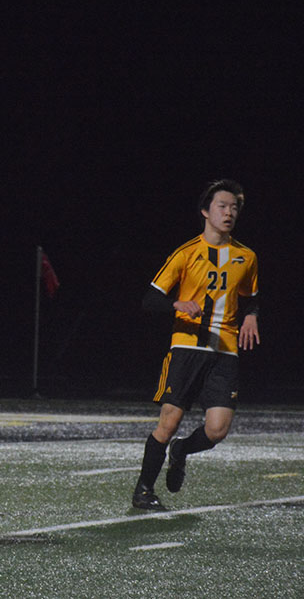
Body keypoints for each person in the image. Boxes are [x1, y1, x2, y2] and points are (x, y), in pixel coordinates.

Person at [132, 179, 260, 511]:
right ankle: (144, 489)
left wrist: (251, 316)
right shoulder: (186, 254)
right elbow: (149, 299)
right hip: (187, 347)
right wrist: (177, 304)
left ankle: (182, 451)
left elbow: (251, 297)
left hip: (225, 351)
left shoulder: (246, 257)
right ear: (206, 211)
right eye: (222, 206)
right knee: (169, 421)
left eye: (234, 207)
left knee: (217, 430)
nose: (229, 212)